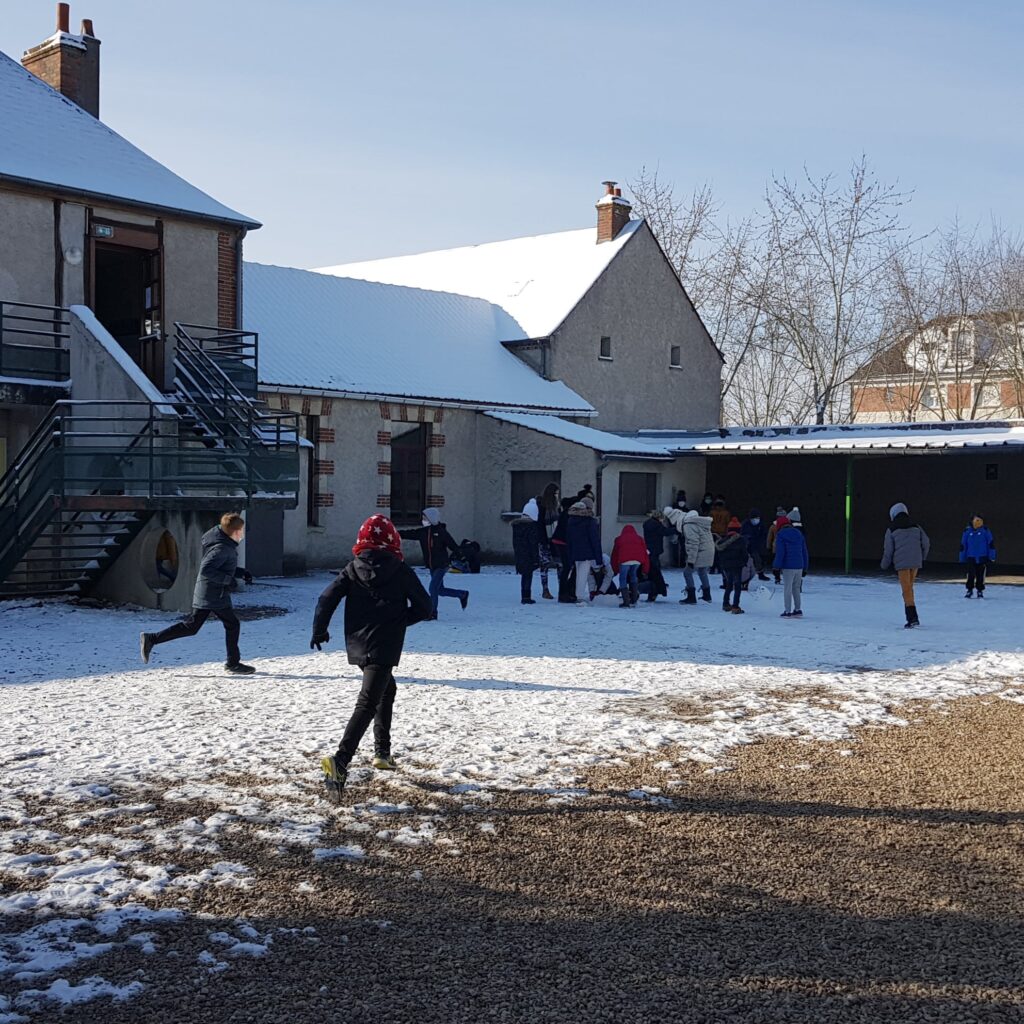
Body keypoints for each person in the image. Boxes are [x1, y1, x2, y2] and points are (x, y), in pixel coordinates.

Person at [312, 515, 432, 798]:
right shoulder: (399, 568)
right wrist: (400, 620)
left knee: (386, 689)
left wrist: (319, 629)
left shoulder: (352, 568)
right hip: (385, 643)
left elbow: (326, 598)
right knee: (368, 701)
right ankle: (340, 760)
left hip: (357, 642)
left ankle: (382, 752)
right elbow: (425, 607)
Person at [140, 512, 255, 674]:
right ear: (234, 531)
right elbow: (207, 570)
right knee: (231, 624)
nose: (243, 533)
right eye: (242, 530)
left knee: (193, 627)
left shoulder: (225, 544)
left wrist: (241, 572)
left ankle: (152, 639)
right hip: (212, 594)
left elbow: (221, 567)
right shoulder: (221, 548)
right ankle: (233, 663)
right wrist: (227, 580)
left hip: (212, 593)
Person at [399, 508, 468, 619]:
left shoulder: (442, 532)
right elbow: (409, 534)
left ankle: (432, 613)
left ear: (431, 518)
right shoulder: (423, 532)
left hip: (442, 565)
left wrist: (462, 557)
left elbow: (453, 546)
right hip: (432, 565)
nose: (423, 520)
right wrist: (394, 532)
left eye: (425, 518)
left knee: (433, 589)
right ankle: (462, 594)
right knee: (440, 590)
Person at [880, 502, 930, 628]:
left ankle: (912, 618)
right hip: (915, 563)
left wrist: (884, 565)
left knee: (906, 590)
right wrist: (922, 557)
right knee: (909, 588)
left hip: (902, 565)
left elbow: (888, 550)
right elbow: (926, 543)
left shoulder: (891, 530)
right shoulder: (917, 527)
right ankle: (912, 616)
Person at [566, 496, 602, 605]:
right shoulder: (590, 522)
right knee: (583, 574)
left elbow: (569, 538)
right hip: (587, 552)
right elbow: (594, 540)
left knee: (578, 574)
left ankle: (578, 594)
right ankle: (580, 596)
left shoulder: (571, 520)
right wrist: (598, 558)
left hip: (575, 551)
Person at [675, 507, 715, 604]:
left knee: (687, 572)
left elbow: (693, 544)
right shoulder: (702, 524)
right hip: (709, 551)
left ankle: (691, 597)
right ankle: (707, 595)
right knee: (702, 571)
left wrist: (691, 561)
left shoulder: (690, 525)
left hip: (700, 552)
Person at [774, 515, 810, 617]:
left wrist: (776, 567)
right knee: (796, 588)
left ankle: (787, 611)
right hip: (799, 565)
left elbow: (780, 553)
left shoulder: (781, 535)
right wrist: (805, 567)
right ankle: (798, 609)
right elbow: (804, 551)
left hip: (788, 566)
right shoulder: (799, 533)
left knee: (787, 589)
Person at [611, 525, 650, 608]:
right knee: (633, 575)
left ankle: (626, 601)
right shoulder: (640, 538)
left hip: (624, 560)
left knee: (623, 578)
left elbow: (615, 554)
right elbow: (645, 553)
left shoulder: (619, 539)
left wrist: (615, 569)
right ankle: (634, 599)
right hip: (637, 561)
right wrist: (645, 569)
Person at [715, 517, 749, 614]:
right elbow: (745, 554)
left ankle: (725, 604)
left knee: (729, 584)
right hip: (737, 566)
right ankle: (735, 606)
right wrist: (744, 563)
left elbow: (719, 555)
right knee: (737, 586)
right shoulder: (741, 540)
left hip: (726, 566)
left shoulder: (723, 541)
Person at [512, 500, 542, 604]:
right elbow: (533, 544)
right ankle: (526, 596)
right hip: (529, 555)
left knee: (524, 576)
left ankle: (524, 595)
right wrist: (536, 558)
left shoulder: (517, 526)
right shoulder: (532, 527)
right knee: (528, 575)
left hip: (520, 554)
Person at [960, 514, 996, 598]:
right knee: (970, 574)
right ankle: (969, 590)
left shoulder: (986, 531)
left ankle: (980, 590)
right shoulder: (967, 531)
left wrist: (992, 556)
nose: (977, 523)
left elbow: (990, 544)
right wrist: (962, 557)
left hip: (982, 557)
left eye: (979, 521)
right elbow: (963, 545)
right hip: (971, 557)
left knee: (980, 575)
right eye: (976, 521)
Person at [643, 509, 675, 602]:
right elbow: (665, 532)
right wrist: (676, 529)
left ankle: (655, 588)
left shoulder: (647, 523)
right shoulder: (656, 525)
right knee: (655, 570)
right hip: (655, 549)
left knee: (653, 569)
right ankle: (655, 590)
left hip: (650, 549)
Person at [537, 483, 561, 600]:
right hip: (545, 540)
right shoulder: (542, 508)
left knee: (559, 564)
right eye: (556, 493)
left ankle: (561, 588)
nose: (557, 495)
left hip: (555, 540)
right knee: (545, 565)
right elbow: (540, 525)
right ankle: (545, 589)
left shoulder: (557, 508)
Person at [550, 496, 576, 603]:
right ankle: (564, 593)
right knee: (567, 567)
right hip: (562, 542)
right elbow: (568, 532)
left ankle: (566, 592)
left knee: (567, 567)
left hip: (560, 541)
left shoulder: (564, 514)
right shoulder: (567, 515)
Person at [740, 509, 770, 581]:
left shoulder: (761, 525)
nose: (756, 520)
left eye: (757, 518)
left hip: (756, 545)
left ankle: (760, 573)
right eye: (754, 518)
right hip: (746, 545)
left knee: (758, 560)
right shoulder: (745, 524)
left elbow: (763, 535)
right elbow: (742, 534)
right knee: (744, 561)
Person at [710, 497, 731, 579]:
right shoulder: (726, 513)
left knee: (713, 552)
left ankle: (712, 568)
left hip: (713, 533)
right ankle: (719, 568)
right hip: (722, 534)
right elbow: (727, 523)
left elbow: (710, 523)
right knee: (721, 552)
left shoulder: (712, 512)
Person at [766, 506, 788, 584]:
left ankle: (777, 578)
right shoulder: (788, 526)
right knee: (786, 562)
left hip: (776, 547)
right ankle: (786, 577)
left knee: (777, 562)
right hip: (786, 547)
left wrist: (768, 547)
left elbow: (769, 537)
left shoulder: (773, 526)